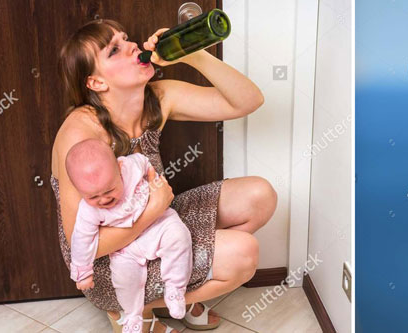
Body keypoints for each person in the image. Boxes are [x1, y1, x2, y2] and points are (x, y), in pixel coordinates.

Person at [52, 19, 277, 333]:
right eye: (114, 50)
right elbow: (86, 246)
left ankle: (175, 289)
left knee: (260, 195)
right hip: (111, 263)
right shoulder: (82, 134)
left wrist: (191, 55)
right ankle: (131, 309)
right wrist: (154, 210)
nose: (132, 46)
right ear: (96, 83)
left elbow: (249, 100)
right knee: (244, 253)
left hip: (158, 222)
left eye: (126, 38)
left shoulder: (158, 97)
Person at [66, 139, 192, 332]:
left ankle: (175, 288)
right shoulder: (87, 211)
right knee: (124, 278)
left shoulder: (130, 165)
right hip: (124, 247)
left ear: (119, 167)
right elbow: (81, 241)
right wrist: (83, 273)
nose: (104, 199)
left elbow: (144, 162)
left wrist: (153, 179)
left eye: (109, 190)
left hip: (156, 225)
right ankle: (132, 315)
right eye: (93, 197)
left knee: (178, 235)